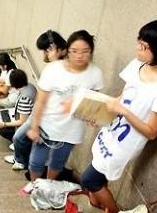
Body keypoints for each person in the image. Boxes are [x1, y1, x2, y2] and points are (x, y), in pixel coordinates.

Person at [80, 19, 157, 213]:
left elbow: (152, 131)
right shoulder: (137, 64)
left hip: (125, 144)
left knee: (90, 180)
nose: (137, 48)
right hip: (110, 133)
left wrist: (123, 112)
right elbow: (122, 99)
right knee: (96, 182)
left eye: (144, 46)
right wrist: (100, 115)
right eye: (139, 42)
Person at [25, 30, 104, 190]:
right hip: (47, 124)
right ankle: (35, 186)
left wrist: (92, 116)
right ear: (67, 50)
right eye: (74, 51)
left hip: (72, 129)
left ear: (91, 52)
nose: (79, 56)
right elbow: (41, 101)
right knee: (36, 160)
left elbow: (93, 102)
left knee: (58, 162)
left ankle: (48, 187)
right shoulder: (53, 69)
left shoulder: (95, 73)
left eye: (85, 51)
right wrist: (34, 126)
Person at [4, 30, 68, 171]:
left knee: (20, 138)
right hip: (41, 112)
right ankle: (21, 160)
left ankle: (22, 162)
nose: (47, 54)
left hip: (50, 116)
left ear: (61, 49)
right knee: (20, 138)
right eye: (45, 50)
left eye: (49, 50)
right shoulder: (53, 67)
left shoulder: (65, 69)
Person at [0, 70, 36, 171]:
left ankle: (20, 161)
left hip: (29, 124)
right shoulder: (30, 87)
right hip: (31, 118)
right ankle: (18, 153)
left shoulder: (24, 98)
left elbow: (23, 121)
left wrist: (5, 124)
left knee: (5, 131)